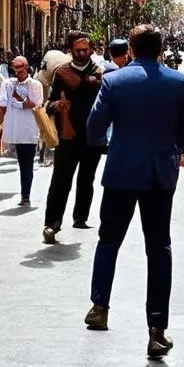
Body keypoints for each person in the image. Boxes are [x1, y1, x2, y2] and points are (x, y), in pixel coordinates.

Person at [84, 25, 184, 357]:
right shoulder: (177, 82)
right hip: (160, 173)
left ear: (130, 48)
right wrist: (175, 151)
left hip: (120, 171)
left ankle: (99, 307)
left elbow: (93, 128)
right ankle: (157, 329)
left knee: (109, 239)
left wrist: (110, 147)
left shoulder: (113, 81)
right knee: (159, 247)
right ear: (161, 49)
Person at [42, 32, 104, 243]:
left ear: (91, 50)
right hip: (67, 136)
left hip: (92, 136)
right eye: (78, 50)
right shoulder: (61, 74)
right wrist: (56, 106)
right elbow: (48, 104)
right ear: (71, 50)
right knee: (60, 180)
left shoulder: (99, 73)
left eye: (85, 49)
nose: (82, 53)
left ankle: (80, 216)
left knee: (87, 178)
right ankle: (52, 223)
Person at [0, 56, 43, 206]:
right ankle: (24, 193)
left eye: (21, 69)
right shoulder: (8, 84)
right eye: (16, 70)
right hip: (15, 129)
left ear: (27, 68)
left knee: (27, 163)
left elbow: (34, 103)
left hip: (29, 129)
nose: (19, 73)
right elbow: (2, 101)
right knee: (22, 163)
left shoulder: (35, 84)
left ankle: (25, 194)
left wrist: (16, 101)